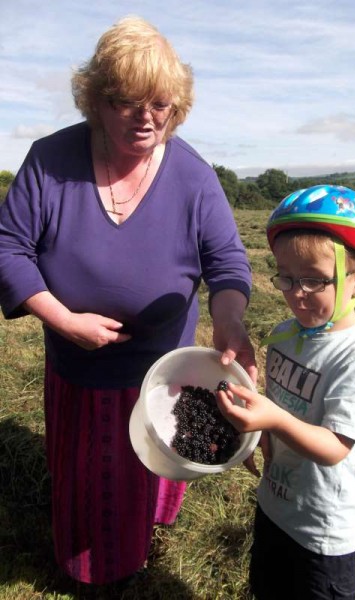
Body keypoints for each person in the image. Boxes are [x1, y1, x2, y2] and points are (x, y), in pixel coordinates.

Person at [0, 15, 256, 587]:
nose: (146, 118)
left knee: (156, 457)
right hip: (78, 366)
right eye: (127, 102)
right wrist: (62, 319)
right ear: (95, 100)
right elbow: (8, 247)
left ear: (177, 106)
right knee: (88, 478)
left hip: (159, 367)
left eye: (160, 104)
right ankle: (89, 571)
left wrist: (231, 322)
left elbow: (227, 263)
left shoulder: (193, 175)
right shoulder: (50, 160)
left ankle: (148, 529)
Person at [216, 185, 355, 599]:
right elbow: (280, 407)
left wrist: (273, 420)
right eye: (286, 276)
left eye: (314, 280)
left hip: (325, 532)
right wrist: (256, 437)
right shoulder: (283, 336)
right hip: (276, 506)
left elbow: (335, 447)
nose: (295, 292)